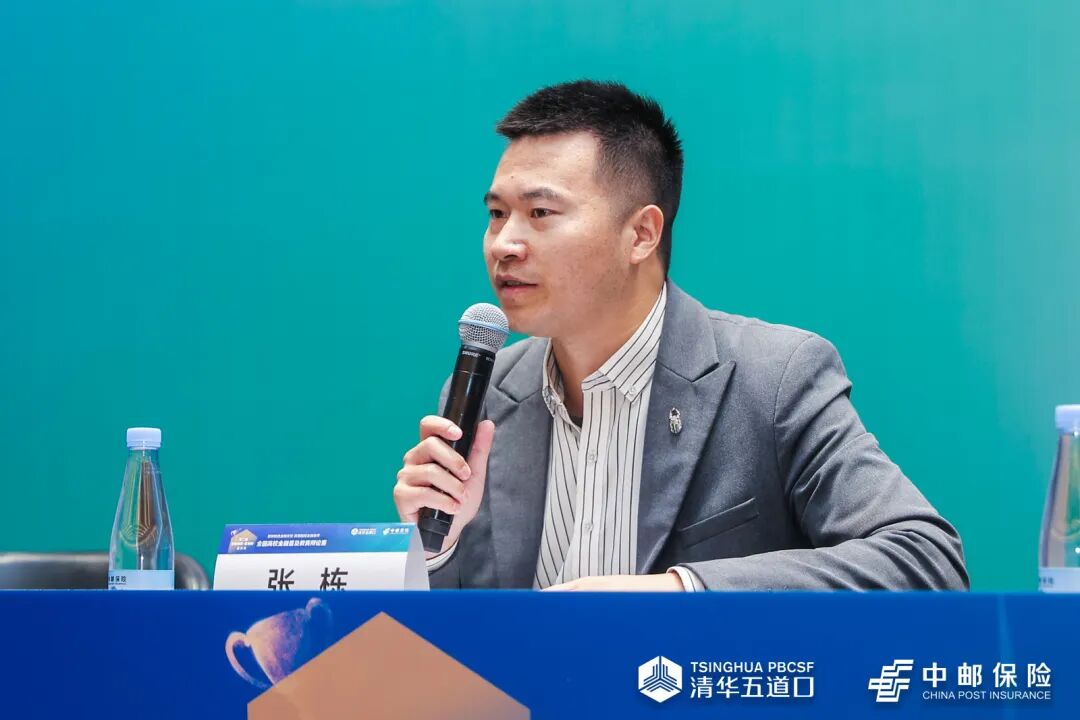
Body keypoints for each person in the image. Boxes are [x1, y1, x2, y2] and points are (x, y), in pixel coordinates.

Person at [392, 80, 968, 591]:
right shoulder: (487, 393)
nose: (504, 244)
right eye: (497, 214)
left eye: (540, 213)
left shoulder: (774, 380)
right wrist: (438, 549)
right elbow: (464, 630)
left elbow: (924, 561)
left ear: (642, 234)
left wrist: (680, 593)